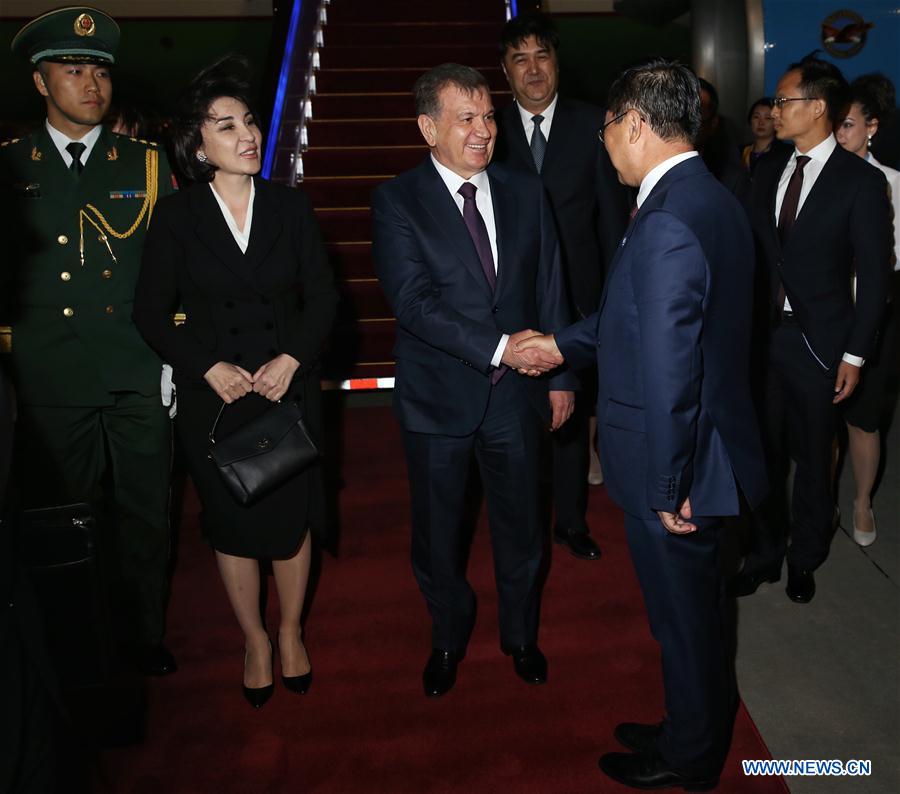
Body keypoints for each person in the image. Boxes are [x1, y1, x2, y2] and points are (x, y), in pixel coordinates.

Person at [517, 58, 767, 790]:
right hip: (707, 449)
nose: (602, 145)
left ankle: (691, 760)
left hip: (680, 466)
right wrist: (562, 342)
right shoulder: (705, 198)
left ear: (633, 124)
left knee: (686, 626)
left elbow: (670, 372)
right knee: (697, 619)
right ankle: (688, 727)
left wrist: (670, 484)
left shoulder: (666, 220)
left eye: (605, 130)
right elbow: (640, 320)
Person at [133, 57, 338, 709]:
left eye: (249, 122)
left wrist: (292, 360)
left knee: (290, 522)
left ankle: (290, 630)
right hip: (216, 398)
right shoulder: (176, 217)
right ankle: (253, 638)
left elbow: (326, 298)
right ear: (197, 146)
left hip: (285, 392)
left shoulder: (290, 206)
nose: (248, 135)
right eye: (227, 127)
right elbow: (149, 311)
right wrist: (206, 366)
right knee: (231, 523)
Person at [371, 63, 576, 697]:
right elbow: (413, 304)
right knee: (438, 534)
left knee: (521, 526)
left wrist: (561, 373)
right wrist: (499, 349)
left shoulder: (523, 188)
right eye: (467, 119)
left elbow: (551, 284)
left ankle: (520, 635)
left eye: (489, 116)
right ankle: (448, 636)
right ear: (428, 127)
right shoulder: (397, 199)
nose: (485, 130)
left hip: (516, 401)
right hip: (437, 400)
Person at [0, 6, 177, 676]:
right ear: (41, 81)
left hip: (135, 373)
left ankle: (142, 635)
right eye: (72, 70)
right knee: (66, 519)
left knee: (144, 516)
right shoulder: (11, 167)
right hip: (49, 379)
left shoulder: (148, 162)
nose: (90, 84)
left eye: (98, 70)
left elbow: (173, 274)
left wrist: (173, 353)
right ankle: (74, 640)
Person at [731, 54, 891, 603]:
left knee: (814, 457)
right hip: (763, 339)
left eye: (784, 101)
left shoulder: (861, 182)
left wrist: (855, 355)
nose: (774, 111)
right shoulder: (769, 167)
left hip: (820, 345)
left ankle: (806, 556)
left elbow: (873, 282)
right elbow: (754, 250)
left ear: (817, 107)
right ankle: (767, 551)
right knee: (764, 454)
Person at [494, 11, 630, 561]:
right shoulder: (488, 130)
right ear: (505, 71)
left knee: (570, 411)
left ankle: (571, 521)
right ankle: (519, 519)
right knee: (515, 417)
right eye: (519, 59)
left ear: (557, 63)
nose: (532, 70)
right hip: (511, 301)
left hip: (578, 297)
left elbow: (611, 220)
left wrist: (612, 296)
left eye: (541, 56)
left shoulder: (592, 124)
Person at [835, 74, 900, 547]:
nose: (839, 134)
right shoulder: (816, 180)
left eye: (849, 125)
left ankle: (861, 501)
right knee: (821, 418)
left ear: (872, 128)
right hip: (822, 315)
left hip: (874, 316)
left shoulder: (892, 184)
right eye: (835, 124)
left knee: (864, 416)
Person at [696, 77, 750, 203]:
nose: (686, 123)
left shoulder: (731, 177)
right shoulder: (648, 167)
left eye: (697, 113)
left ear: (713, 123)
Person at [741, 97, 791, 174]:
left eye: (767, 118)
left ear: (776, 122)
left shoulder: (786, 154)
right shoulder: (740, 152)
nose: (761, 123)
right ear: (750, 120)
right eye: (756, 117)